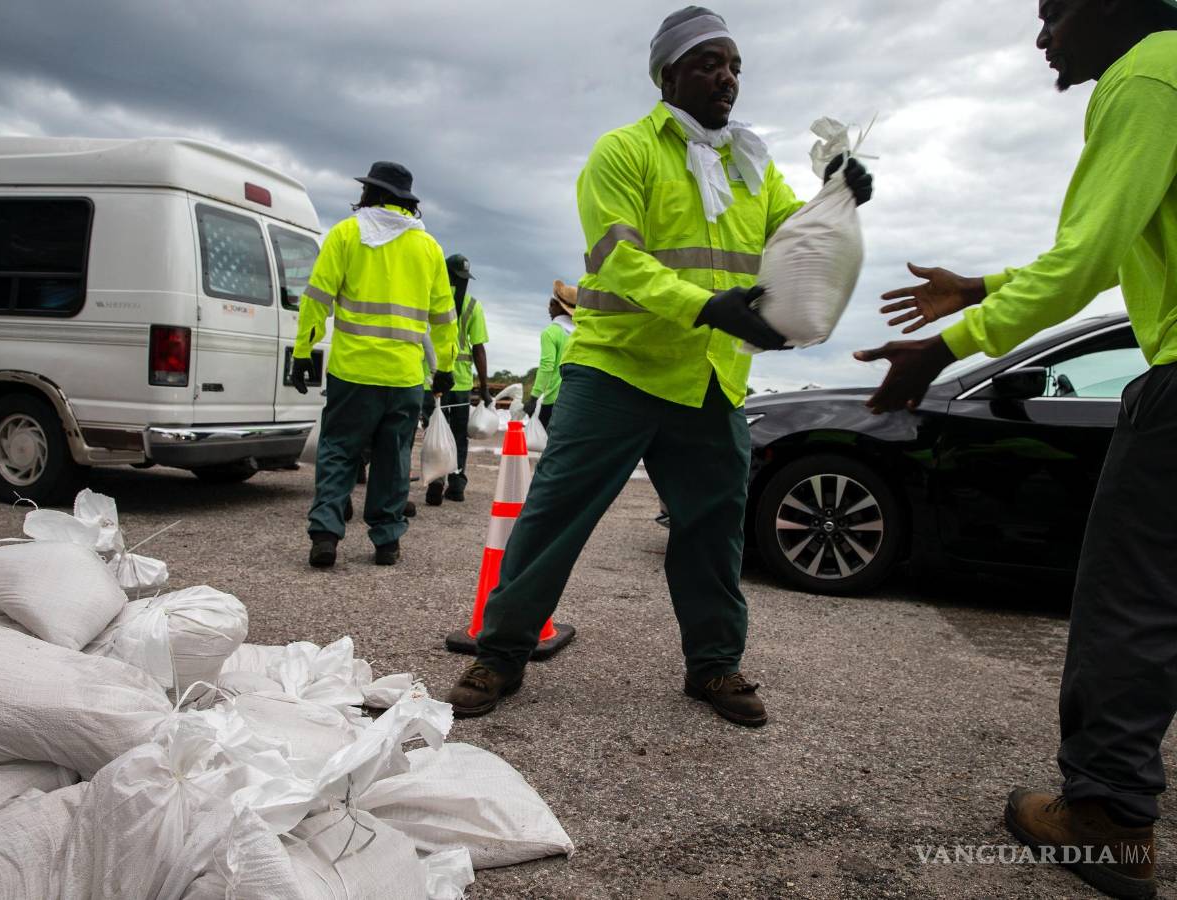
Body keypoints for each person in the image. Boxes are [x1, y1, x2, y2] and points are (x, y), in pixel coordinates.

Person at [446, 6, 871, 727]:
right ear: (668, 72)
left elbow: (792, 240)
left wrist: (839, 193)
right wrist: (708, 307)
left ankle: (715, 668)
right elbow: (620, 261)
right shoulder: (624, 152)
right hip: (617, 369)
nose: (727, 77)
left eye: (735, 65)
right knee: (554, 516)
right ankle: (500, 654)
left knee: (714, 530)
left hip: (708, 380)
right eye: (710, 62)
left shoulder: (751, 168)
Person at [855, 3, 1177, 896]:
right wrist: (983, 286)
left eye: (1056, 12)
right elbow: (1117, 250)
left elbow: (1085, 258)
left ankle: (1107, 816)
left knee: (1132, 596)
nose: (1044, 39)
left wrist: (945, 348)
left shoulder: (1147, 72)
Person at [292, 161, 456, 568]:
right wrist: (446, 365)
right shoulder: (428, 247)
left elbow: (316, 298)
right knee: (393, 458)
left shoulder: (347, 234)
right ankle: (386, 540)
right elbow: (444, 317)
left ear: (369, 193)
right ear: (405, 202)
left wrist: (302, 352)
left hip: (352, 372)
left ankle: (326, 535)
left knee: (338, 452)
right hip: (404, 377)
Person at [425, 254, 492, 505]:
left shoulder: (431, 299)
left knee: (434, 431)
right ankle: (456, 483)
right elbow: (479, 349)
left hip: (430, 381)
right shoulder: (473, 305)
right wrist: (484, 388)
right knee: (457, 435)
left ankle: (435, 479)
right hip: (461, 384)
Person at [523, 280, 577, 429]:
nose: (549, 308)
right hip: (575, 399)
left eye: (551, 304)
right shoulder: (580, 334)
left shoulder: (551, 333)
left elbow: (547, 366)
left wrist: (534, 397)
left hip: (553, 400)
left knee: (547, 445)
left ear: (559, 307)